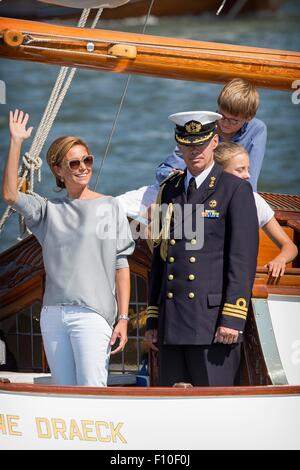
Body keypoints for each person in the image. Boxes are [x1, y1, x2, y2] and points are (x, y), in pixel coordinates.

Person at [2, 109, 135, 387]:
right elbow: (10, 195)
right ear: (59, 171)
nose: (83, 167)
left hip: (92, 315)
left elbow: (121, 266)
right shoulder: (48, 210)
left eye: (87, 160)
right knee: (62, 392)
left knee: (92, 391)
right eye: (74, 163)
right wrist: (16, 141)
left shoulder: (109, 207)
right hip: (52, 315)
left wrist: (123, 319)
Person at [145, 111, 259, 387]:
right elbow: (161, 258)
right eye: (187, 144)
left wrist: (233, 317)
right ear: (179, 146)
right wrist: (153, 320)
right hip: (172, 324)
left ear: (215, 142)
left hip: (213, 326)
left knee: (214, 413)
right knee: (172, 412)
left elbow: (241, 259)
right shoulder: (169, 190)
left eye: (200, 144)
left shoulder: (233, 189)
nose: (193, 150)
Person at [156, 78, 267, 191]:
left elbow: (250, 178)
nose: (225, 123)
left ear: (249, 118)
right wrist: (174, 175)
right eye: (222, 116)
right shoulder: (204, 125)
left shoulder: (257, 130)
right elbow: (165, 170)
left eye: (233, 121)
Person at [214, 142, 298, 277]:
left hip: (240, 278)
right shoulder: (200, 200)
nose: (247, 175)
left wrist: (280, 260)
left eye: (248, 169)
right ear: (218, 172)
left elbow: (290, 246)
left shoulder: (255, 201)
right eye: (240, 170)